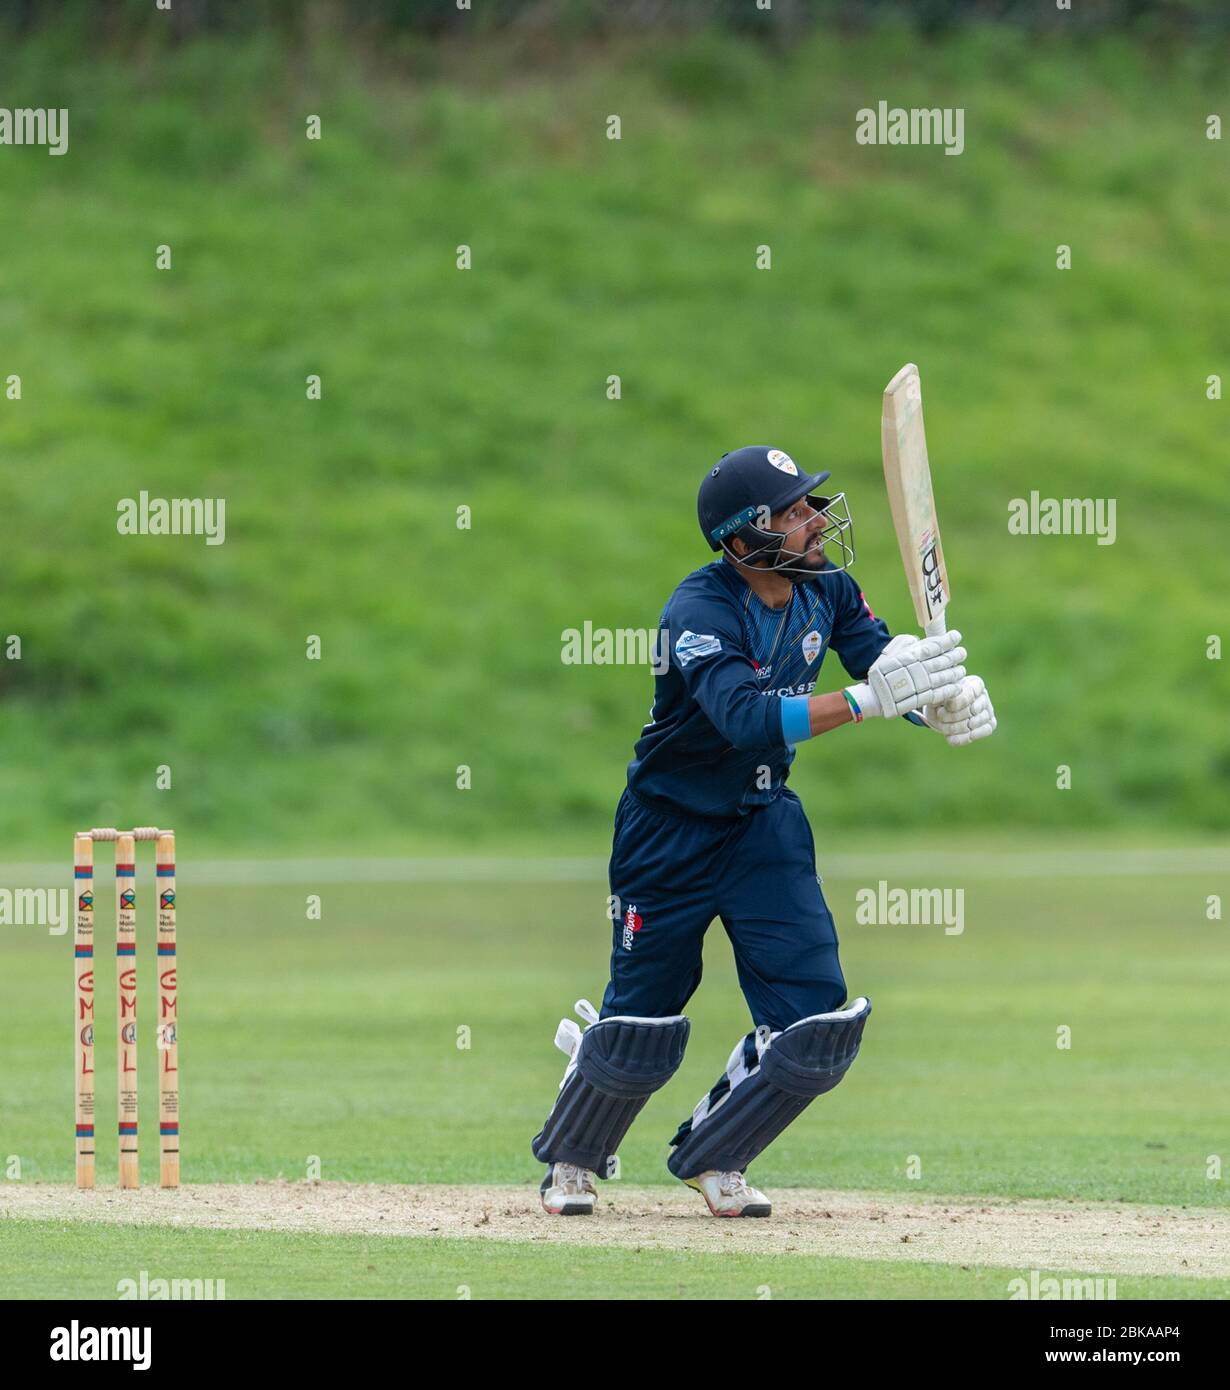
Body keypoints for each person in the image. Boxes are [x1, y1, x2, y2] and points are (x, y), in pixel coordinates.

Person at [531, 445, 996, 1217]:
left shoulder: (830, 590)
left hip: (762, 824)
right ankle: (573, 1157)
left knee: (817, 1023)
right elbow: (746, 719)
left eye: (812, 504)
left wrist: (938, 698)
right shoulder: (701, 611)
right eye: (793, 510)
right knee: (643, 1023)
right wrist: (868, 703)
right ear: (743, 537)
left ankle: (717, 1155)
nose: (815, 520)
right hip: (668, 829)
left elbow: (885, 665)